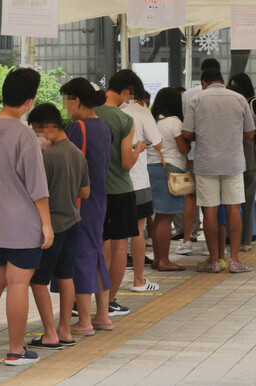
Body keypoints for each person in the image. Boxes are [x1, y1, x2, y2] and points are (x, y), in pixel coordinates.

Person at [0, 68, 53, 366]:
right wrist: (46, 224)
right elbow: (37, 186)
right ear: (30, 100)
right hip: (22, 223)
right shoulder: (24, 134)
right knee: (18, 284)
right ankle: (15, 350)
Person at [26, 103, 89, 349]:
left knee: (38, 279)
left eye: (37, 131)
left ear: (48, 128)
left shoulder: (48, 157)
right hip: (73, 220)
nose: (37, 137)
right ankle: (65, 329)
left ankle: (50, 333)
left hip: (51, 224)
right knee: (66, 275)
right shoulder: (76, 152)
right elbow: (85, 192)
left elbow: (39, 194)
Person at [182, 68, 255, 273]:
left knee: (210, 210)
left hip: (206, 163)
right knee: (234, 208)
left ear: (204, 83)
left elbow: (186, 132)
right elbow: (249, 133)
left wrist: (204, 136)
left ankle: (214, 260)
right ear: (223, 81)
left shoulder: (197, 99)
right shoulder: (239, 99)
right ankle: (234, 260)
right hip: (233, 162)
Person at [59, 77, 112, 335]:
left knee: (80, 257)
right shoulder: (103, 126)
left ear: (76, 100)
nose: (64, 106)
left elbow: (72, 165)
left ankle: (84, 321)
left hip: (80, 201)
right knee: (96, 254)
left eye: (66, 100)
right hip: (100, 200)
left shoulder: (78, 127)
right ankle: (102, 315)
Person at [95, 69, 148, 316]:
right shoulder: (125, 120)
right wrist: (138, 150)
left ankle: (89, 300)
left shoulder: (91, 114)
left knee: (99, 247)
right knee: (118, 249)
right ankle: (109, 301)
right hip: (120, 191)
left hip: (95, 192)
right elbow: (127, 163)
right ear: (126, 91)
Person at [174, 59, 221, 250]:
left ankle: (188, 236)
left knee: (190, 196)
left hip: (195, 153)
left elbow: (187, 126)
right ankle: (218, 242)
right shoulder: (231, 95)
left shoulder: (190, 95)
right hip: (222, 155)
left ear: (202, 74)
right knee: (218, 200)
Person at [121, 87, 163, 291]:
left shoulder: (108, 111)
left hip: (114, 181)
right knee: (138, 229)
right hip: (137, 179)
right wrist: (140, 144)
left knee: (113, 235)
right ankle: (138, 280)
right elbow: (158, 142)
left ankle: (109, 287)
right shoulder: (141, 112)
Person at [146, 87, 190, 271]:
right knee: (166, 218)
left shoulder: (154, 122)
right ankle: (164, 260)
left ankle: (157, 259)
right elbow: (184, 149)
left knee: (158, 218)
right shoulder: (174, 122)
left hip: (152, 169)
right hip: (169, 171)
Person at [228, 73, 256, 252]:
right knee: (244, 201)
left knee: (238, 201)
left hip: (246, 157)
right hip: (247, 158)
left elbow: (250, 133)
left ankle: (242, 240)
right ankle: (244, 240)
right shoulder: (242, 104)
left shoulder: (250, 104)